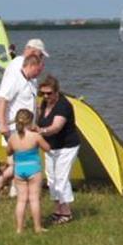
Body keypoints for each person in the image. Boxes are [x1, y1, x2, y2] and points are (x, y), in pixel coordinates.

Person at [0, 46, 47, 200]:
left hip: (29, 128)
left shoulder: (32, 81)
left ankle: (12, 190)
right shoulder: (15, 79)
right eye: (38, 70)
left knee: (21, 162)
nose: (39, 74)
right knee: (20, 163)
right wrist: (2, 124)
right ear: (31, 66)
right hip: (15, 128)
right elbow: (2, 101)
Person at [36, 76, 80, 225]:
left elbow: (56, 127)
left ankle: (66, 212)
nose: (45, 96)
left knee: (61, 178)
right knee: (51, 179)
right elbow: (40, 119)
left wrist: (40, 131)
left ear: (56, 91)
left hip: (67, 147)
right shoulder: (44, 103)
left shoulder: (63, 105)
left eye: (49, 93)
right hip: (51, 147)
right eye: (42, 93)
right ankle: (57, 210)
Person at [6, 109, 51, 234]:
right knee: (34, 199)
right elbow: (47, 148)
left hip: (19, 169)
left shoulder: (12, 138)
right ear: (31, 122)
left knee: (21, 200)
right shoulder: (35, 136)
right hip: (33, 169)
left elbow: (8, 152)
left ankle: (19, 229)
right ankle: (37, 227)